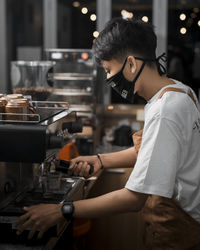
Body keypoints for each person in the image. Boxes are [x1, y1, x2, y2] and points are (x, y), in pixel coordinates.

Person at [14, 17, 200, 249]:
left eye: (109, 70)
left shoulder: (166, 109)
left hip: (180, 231)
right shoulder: (180, 92)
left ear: (131, 64)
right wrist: (100, 160)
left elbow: (133, 198)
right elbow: (155, 151)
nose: (110, 79)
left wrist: (62, 210)